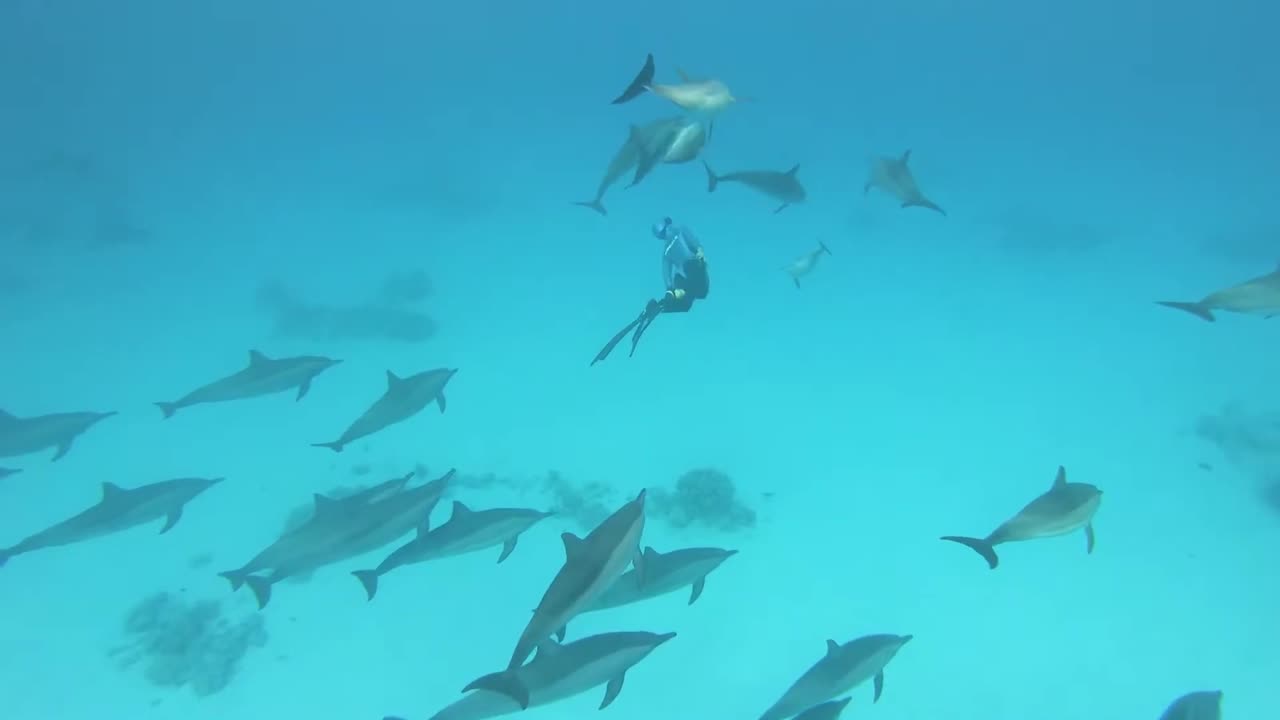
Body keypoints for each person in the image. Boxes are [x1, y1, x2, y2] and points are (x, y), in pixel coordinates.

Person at [591, 216, 710, 365]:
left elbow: (666, 271)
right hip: (693, 269)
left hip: (681, 278)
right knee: (700, 293)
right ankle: (675, 296)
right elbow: (691, 239)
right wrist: (699, 250)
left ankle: (662, 304)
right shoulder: (679, 229)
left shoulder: (666, 252)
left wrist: (670, 289)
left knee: (685, 303)